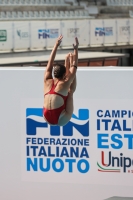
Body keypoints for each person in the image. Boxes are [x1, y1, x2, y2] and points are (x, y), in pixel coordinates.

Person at [43, 35, 79, 126]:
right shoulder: (65, 82)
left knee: (66, 86)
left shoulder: (47, 79)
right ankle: (67, 62)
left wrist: (56, 45)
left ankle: (66, 62)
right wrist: (76, 49)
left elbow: (50, 62)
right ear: (63, 75)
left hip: (46, 117)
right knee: (70, 92)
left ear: (54, 72)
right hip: (61, 119)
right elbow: (74, 67)